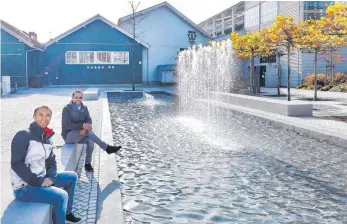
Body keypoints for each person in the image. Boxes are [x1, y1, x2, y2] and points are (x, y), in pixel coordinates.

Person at [10, 105, 81, 224]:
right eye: (41, 114)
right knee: (62, 196)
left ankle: (66, 214)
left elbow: (51, 161)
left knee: (72, 177)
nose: (44, 118)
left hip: (41, 178)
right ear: (34, 116)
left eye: (48, 115)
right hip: (24, 186)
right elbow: (16, 164)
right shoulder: (23, 136)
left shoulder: (47, 138)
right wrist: (39, 181)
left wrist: (50, 177)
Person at [62, 90, 122, 172]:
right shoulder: (67, 109)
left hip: (80, 133)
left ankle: (87, 164)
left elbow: (89, 120)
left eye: (80, 97)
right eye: (76, 97)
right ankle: (106, 148)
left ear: (82, 98)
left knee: (90, 140)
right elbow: (67, 125)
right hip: (69, 136)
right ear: (72, 98)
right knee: (88, 132)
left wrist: (84, 128)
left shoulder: (84, 108)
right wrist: (83, 127)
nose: (78, 99)